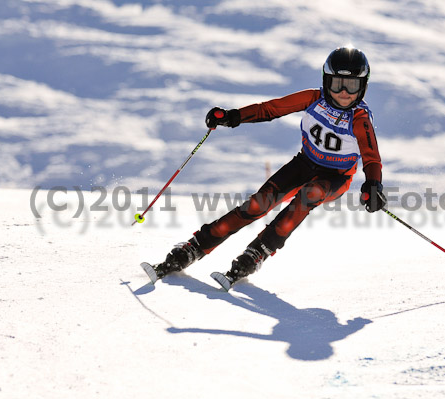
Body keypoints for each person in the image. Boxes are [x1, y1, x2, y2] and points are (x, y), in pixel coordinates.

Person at [152, 46, 387, 288]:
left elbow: (371, 158)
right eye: (338, 83)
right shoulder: (313, 98)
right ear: (326, 81)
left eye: (352, 85)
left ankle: (258, 251)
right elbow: (271, 109)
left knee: (310, 194)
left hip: (336, 177)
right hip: (305, 163)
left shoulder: (359, 119)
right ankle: (196, 246)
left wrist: (373, 184)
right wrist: (233, 116)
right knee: (257, 204)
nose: (344, 92)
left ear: (363, 87)